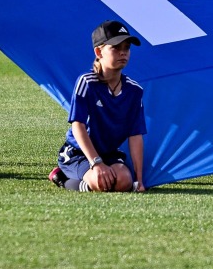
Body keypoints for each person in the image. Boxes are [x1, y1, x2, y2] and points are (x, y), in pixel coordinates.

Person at [49, 20, 147, 193]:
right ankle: (62, 177)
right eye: (116, 47)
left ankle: (100, 174)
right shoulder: (86, 82)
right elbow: (77, 125)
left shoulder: (134, 90)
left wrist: (139, 180)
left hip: (109, 152)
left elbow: (135, 135)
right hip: (79, 153)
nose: (123, 53)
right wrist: (96, 162)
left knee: (124, 182)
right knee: (101, 184)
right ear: (98, 52)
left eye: (127, 47)